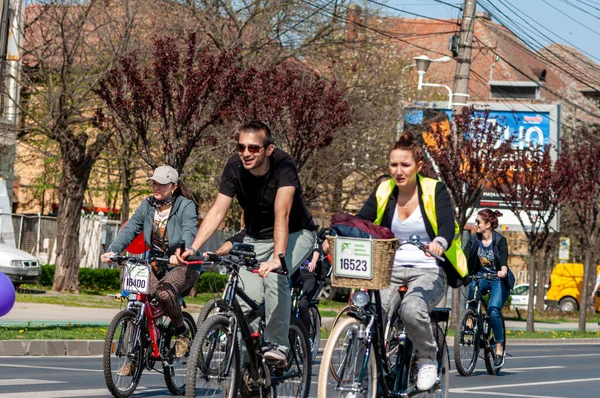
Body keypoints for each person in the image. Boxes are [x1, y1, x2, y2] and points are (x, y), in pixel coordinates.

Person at [178, 120, 316, 368]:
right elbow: (218, 210)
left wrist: (277, 257)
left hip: (295, 233)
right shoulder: (234, 166)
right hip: (254, 237)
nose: (246, 153)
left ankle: (277, 345)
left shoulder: (284, 165)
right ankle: (248, 364)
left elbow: (281, 214)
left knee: (276, 275)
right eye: (241, 147)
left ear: (268, 149)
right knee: (242, 300)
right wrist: (193, 247)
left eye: (253, 148)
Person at [355, 131, 467, 391]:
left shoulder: (433, 189)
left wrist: (440, 241)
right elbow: (361, 221)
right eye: (393, 164)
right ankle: (376, 361)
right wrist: (337, 233)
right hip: (389, 269)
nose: (398, 171)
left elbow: (448, 225)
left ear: (419, 167)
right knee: (371, 311)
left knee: (412, 308)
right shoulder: (385, 190)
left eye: (405, 165)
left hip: (428, 269)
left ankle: (427, 358)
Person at [101, 165, 199, 375]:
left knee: (164, 293)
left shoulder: (185, 206)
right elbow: (130, 228)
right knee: (137, 300)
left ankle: (182, 332)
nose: (156, 187)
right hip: (156, 263)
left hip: (182, 264)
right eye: (154, 182)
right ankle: (134, 356)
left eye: (162, 184)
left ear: (173, 186)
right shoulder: (147, 205)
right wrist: (113, 251)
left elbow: (190, 229)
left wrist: (184, 250)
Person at [465, 209, 509, 367]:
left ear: (488, 224)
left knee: (493, 310)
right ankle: (470, 319)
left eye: (478, 222)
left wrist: (503, 269)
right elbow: (465, 254)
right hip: (482, 277)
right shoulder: (475, 239)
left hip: (498, 279)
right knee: (472, 287)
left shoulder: (499, 240)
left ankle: (499, 346)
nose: (475, 224)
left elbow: (503, 256)